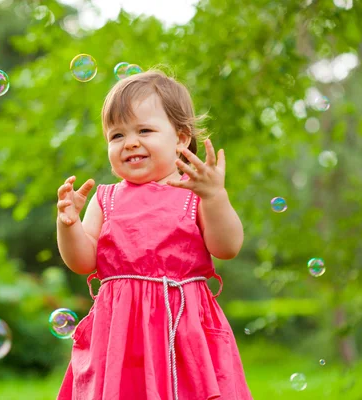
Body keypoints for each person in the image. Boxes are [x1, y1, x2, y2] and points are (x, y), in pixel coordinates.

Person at [56, 69, 254, 399]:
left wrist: (215, 197)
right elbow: (82, 261)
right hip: (121, 334)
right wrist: (69, 226)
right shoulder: (105, 198)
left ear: (180, 137)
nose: (130, 142)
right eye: (117, 136)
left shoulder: (196, 195)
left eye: (145, 130)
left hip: (182, 331)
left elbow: (228, 246)